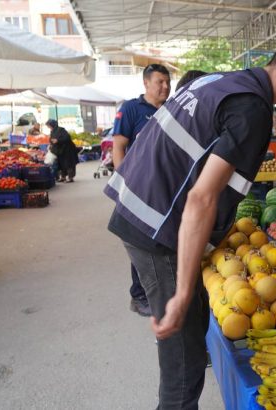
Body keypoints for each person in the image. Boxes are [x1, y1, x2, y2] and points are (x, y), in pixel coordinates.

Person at [104, 32, 276, 409]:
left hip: (139, 208)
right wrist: (180, 292)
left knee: (189, 334)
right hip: (156, 226)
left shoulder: (221, 81)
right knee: (184, 356)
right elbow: (201, 197)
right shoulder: (253, 109)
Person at [112, 63, 171, 317]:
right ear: (146, 83)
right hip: (137, 189)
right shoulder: (131, 109)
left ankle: (157, 290)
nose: (165, 87)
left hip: (163, 189)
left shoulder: (172, 109)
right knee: (139, 242)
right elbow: (118, 147)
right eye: (160, 82)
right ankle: (138, 296)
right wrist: (125, 183)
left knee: (158, 242)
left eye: (168, 82)